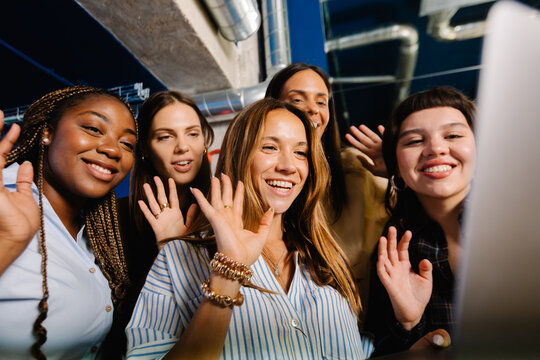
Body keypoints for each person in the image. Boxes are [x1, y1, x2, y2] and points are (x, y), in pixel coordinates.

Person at [125, 98, 375, 359]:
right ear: (239, 155)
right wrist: (228, 273)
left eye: (300, 152)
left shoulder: (326, 258)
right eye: (269, 147)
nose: (289, 166)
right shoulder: (179, 256)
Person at [0, 86, 137, 359]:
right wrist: (9, 240)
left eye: (127, 144)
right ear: (48, 132)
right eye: (94, 129)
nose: (113, 149)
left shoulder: (93, 233)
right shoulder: (6, 198)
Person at [264, 63, 388, 322]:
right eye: (297, 99)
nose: (313, 109)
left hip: (354, 326)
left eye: (322, 102)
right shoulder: (262, 175)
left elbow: (407, 217)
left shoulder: (355, 168)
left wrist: (397, 172)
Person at [364, 86, 476, 355]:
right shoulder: (396, 245)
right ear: (396, 169)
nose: (435, 148)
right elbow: (382, 348)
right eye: (414, 141)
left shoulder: (523, 216)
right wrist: (408, 322)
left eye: (453, 135)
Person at [110, 90, 215, 358]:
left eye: (192, 133)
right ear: (144, 147)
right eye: (166, 137)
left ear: (204, 140)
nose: (182, 146)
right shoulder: (116, 219)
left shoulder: (225, 214)